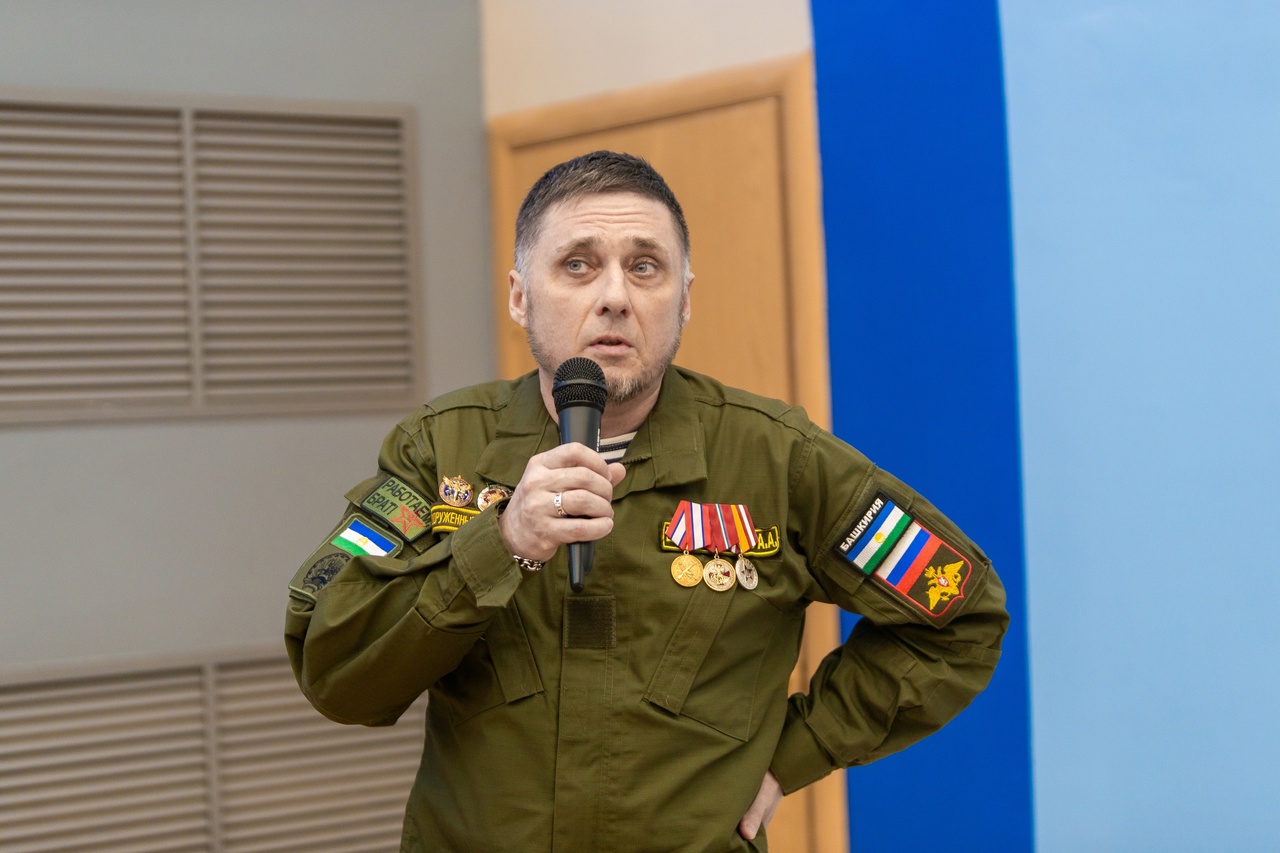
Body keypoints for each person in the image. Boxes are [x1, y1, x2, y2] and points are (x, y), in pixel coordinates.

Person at [285, 151, 1008, 852]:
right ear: (519, 295)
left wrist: (797, 752)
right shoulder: (440, 449)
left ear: (684, 299)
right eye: (577, 264)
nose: (615, 297)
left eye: (644, 266)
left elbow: (961, 614)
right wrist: (499, 543)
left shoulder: (778, 460)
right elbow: (336, 673)